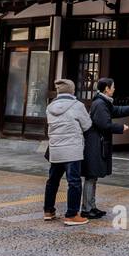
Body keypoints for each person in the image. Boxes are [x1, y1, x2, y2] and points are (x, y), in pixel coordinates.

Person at [81, 78, 129, 219]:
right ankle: (87, 209)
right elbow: (104, 124)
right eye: (113, 87)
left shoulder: (103, 101)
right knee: (91, 177)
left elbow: (115, 110)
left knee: (93, 177)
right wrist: (121, 127)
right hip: (95, 144)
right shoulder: (100, 103)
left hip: (97, 143)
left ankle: (91, 207)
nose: (114, 89)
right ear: (106, 88)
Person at [45, 79, 92, 226]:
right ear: (72, 90)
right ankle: (71, 214)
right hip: (72, 149)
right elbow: (87, 125)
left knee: (53, 181)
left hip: (55, 149)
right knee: (74, 182)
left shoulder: (50, 107)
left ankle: (48, 211)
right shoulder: (77, 106)